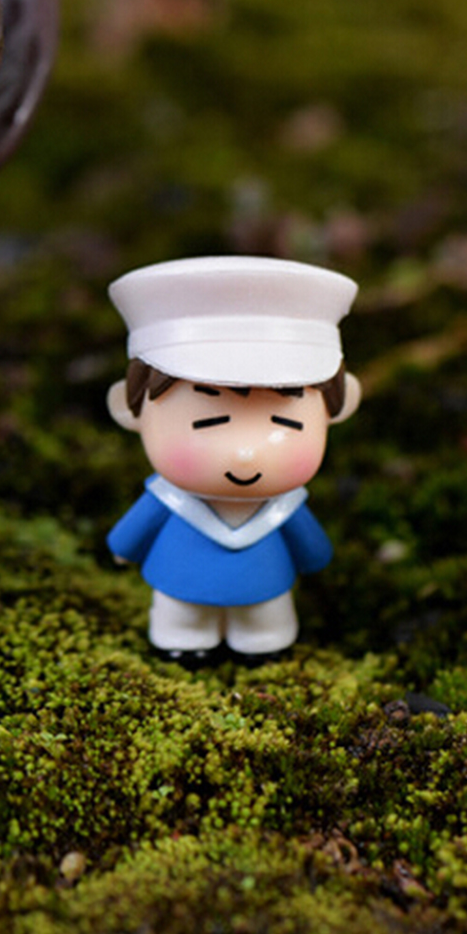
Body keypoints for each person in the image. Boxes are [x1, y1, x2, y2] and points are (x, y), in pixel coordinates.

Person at [106, 255, 361, 661]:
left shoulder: (284, 506)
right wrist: (123, 547)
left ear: (336, 412)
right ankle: (182, 637)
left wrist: (316, 558)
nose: (245, 453)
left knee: (266, 619)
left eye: (285, 423)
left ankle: (264, 639)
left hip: (265, 587)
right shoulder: (168, 500)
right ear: (128, 410)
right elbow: (134, 531)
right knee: (181, 616)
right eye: (207, 422)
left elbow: (311, 547)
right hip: (180, 583)